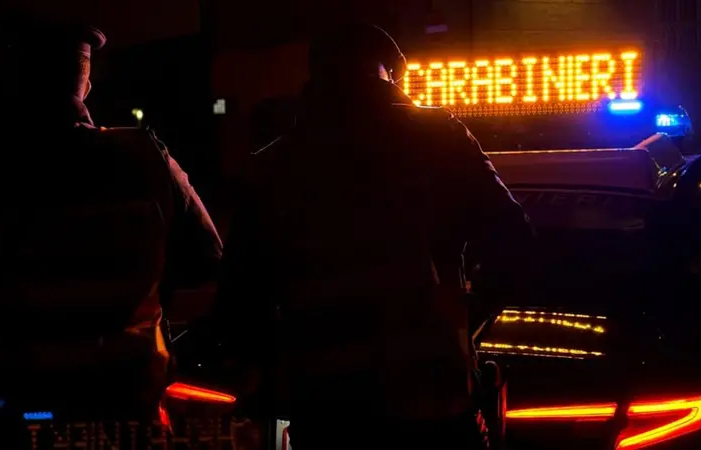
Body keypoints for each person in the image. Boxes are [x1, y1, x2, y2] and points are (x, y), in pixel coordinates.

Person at [214, 23, 533, 450]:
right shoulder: (440, 139)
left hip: (328, 410)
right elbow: (515, 240)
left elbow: (239, 299)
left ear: (317, 75)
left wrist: (272, 370)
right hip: (432, 399)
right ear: (393, 72)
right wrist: (463, 323)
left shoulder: (272, 167)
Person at [0, 16, 222, 427]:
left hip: (20, 402)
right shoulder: (145, 156)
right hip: (127, 397)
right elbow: (207, 258)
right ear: (85, 85)